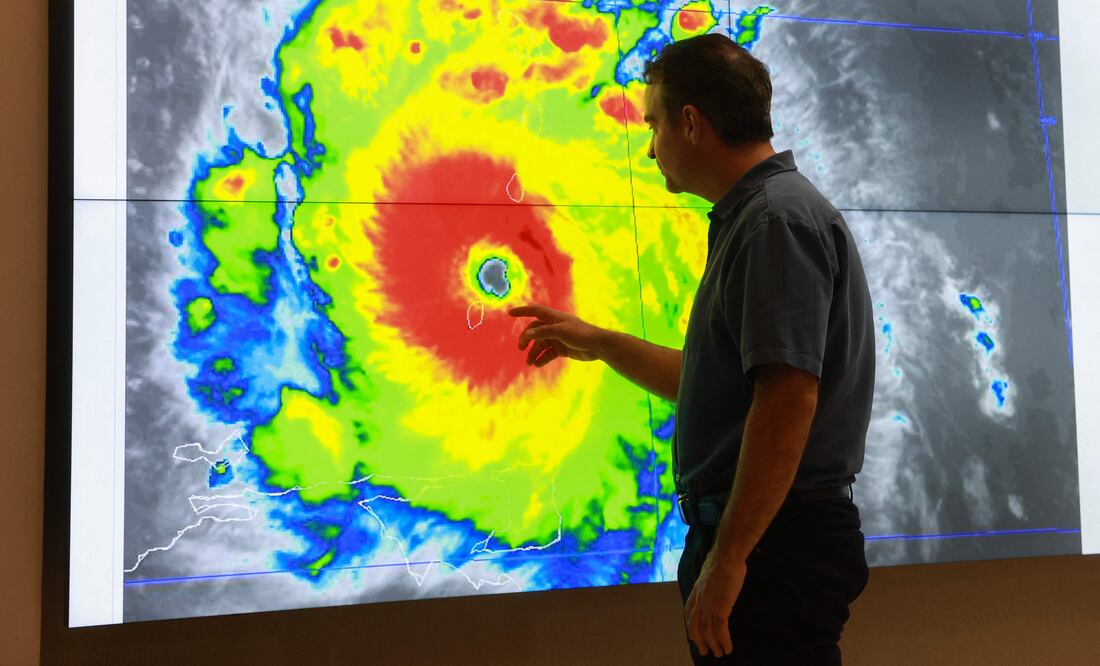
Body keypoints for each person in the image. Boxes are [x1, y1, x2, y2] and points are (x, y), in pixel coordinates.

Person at [509, 32, 875, 665]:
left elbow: (788, 397)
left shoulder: (773, 222)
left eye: (652, 125)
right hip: (766, 540)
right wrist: (599, 342)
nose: (650, 149)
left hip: (773, 547)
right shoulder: (756, 217)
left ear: (691, 122)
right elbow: (716, 384)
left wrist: (730, 558)